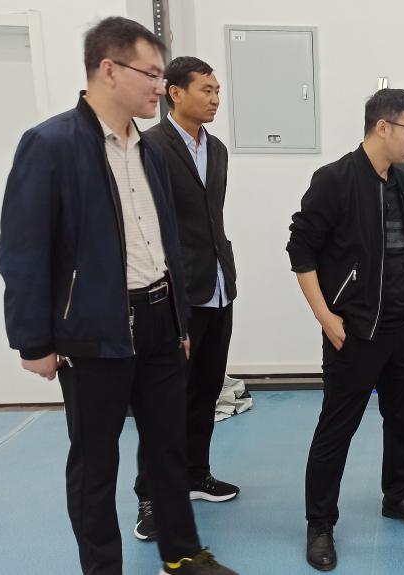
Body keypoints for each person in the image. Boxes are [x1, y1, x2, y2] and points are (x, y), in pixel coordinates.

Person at [0, 16, 236, 575]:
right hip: (95, 329)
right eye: (150, 74)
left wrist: (179, 321)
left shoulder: (147, 148)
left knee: (168, 447)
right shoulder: (52, 144)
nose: (160, 86)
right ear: (109, 70)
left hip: (160, 319)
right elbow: (23, 250)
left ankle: (181, 554)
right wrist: (33, 341)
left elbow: (166, 240)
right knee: (95, 463)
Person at [286, 88, 404, 572]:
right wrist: (324, 316)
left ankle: (398, 496)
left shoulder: (401, 183)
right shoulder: (334, 180)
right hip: (354, 330)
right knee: (337, 427)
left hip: (402, 325)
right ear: (382, 126)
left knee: (401, 417)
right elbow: (300, 250)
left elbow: (399, 248)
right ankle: (319, 523)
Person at [133, 56, 240, 541]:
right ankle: (151, 495)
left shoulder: (216, 149)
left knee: (206, 390)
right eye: (206, 90)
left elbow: (209, 217)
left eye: (217, 91)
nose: (215, 99)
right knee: (163, 401)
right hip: (175, 295)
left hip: (218, 287)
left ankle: (196, 473)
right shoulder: (151, 147)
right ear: (175, 93)